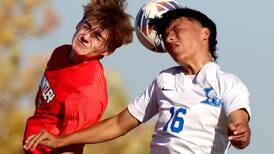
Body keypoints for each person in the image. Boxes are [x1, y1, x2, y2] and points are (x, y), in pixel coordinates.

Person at [24, 7, 251, 154]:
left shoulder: (227, 82)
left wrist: (241, 132)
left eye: (176, 30)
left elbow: (239, 121)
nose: (169, 37)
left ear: (205, 33)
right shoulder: (165, 80)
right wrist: (60, 140)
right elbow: (119, 124)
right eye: (166, 35)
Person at [22, 0, 133, 153]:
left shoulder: (88, 90)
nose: (86, 37)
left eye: (97, 37)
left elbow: (70, 147)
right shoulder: (61, 53)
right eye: (86, 26)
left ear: (108, 51)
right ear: (78, 24)